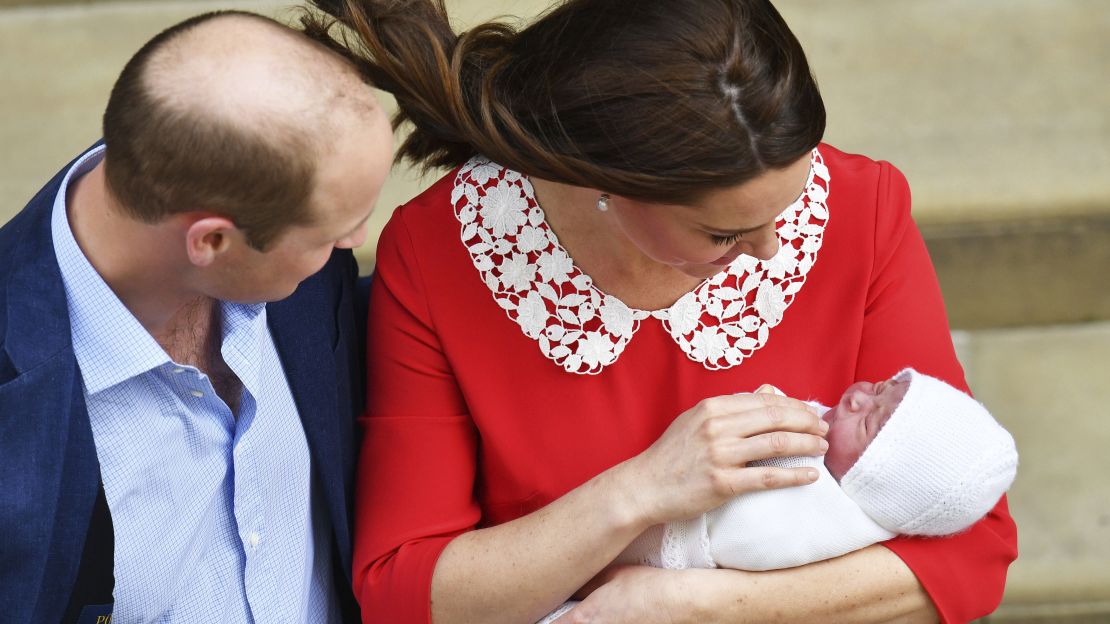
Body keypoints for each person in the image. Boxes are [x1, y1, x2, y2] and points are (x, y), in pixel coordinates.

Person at [305, 1, 1018, 622]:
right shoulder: (443, 251)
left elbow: (972, 551)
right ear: (604, 183)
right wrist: (641, 490)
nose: (774, 250)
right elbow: (408, 595)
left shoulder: (863, 210)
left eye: (791, 201)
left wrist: (693, 606)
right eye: (723, 234)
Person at [0, 10, 392, 623]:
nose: (354, 245)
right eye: (334, 233)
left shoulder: (300, 260)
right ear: (210, 242)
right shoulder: (16, 400)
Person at [541, 369, 1019, 622]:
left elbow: (738, 530)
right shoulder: (830, 452)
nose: (856, 398)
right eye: (880, 388)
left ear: (874, 484)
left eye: (871, 421)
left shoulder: (817, 515)